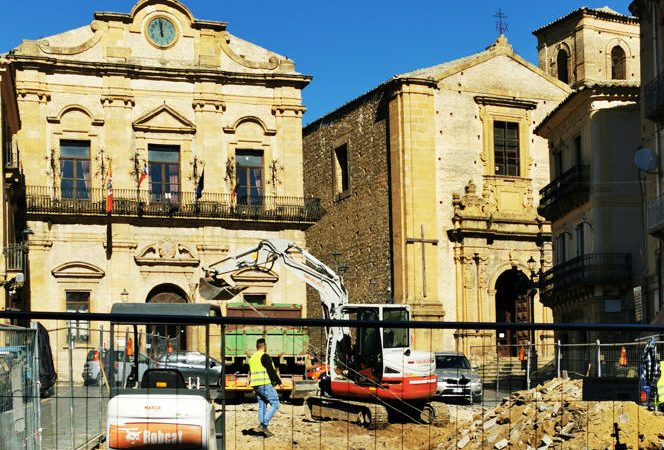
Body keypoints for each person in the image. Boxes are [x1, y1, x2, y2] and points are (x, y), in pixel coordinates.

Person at [249, 338, 281, 437]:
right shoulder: (264, 356)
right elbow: (271, 371)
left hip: (256, 385)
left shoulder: (252, 358)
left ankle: (261, 430)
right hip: (264, 384)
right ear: (265, 346)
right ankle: (263, 424)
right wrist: (279, 382)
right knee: (275, 403)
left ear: (256, 346)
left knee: (262, 405)